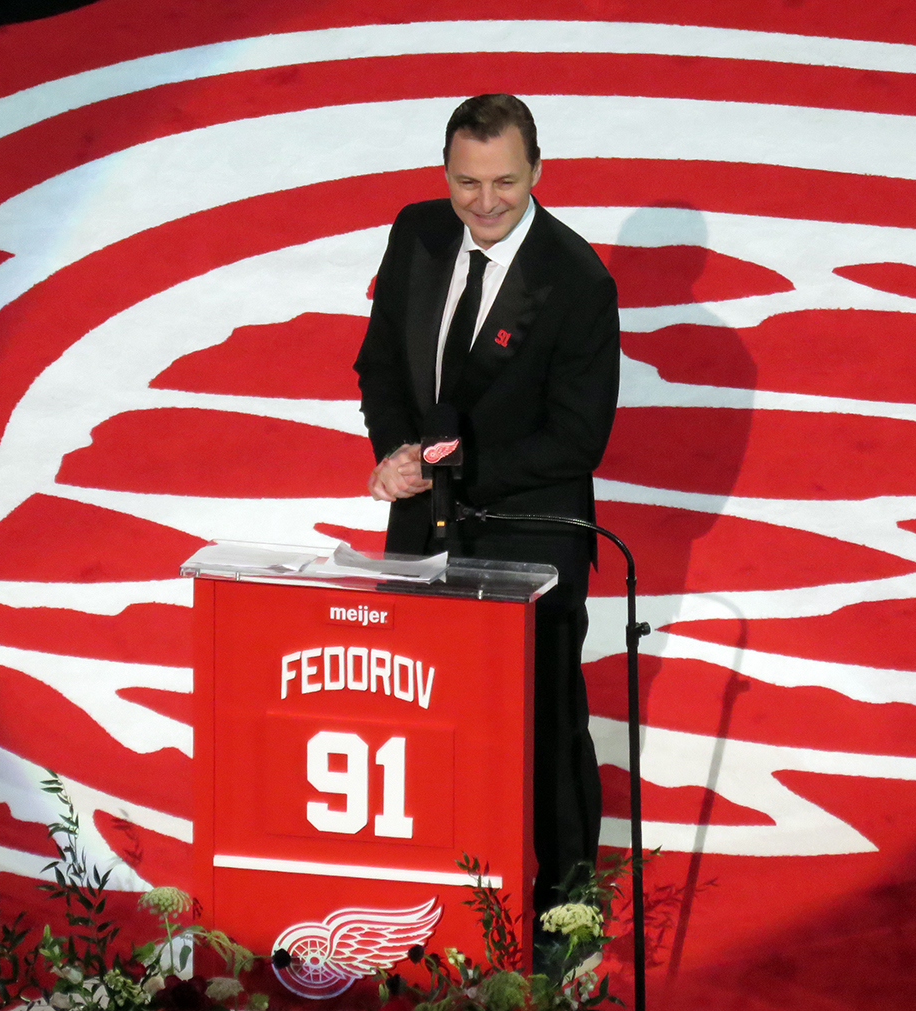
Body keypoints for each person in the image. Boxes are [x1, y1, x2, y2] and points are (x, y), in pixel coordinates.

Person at [354, 94, 620, 915]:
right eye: (467, 182)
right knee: (424, 715)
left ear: (536, 171)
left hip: (529, 539)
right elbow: (381, 367)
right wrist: (395, 453)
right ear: (445, 172)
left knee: (543, 727)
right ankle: (435, 893)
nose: (485, 202)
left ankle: (565, 904)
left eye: (504, 181)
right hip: (422, 530)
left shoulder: (575, 279)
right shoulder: (418, 231)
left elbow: (577, 441)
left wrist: (453, 474)